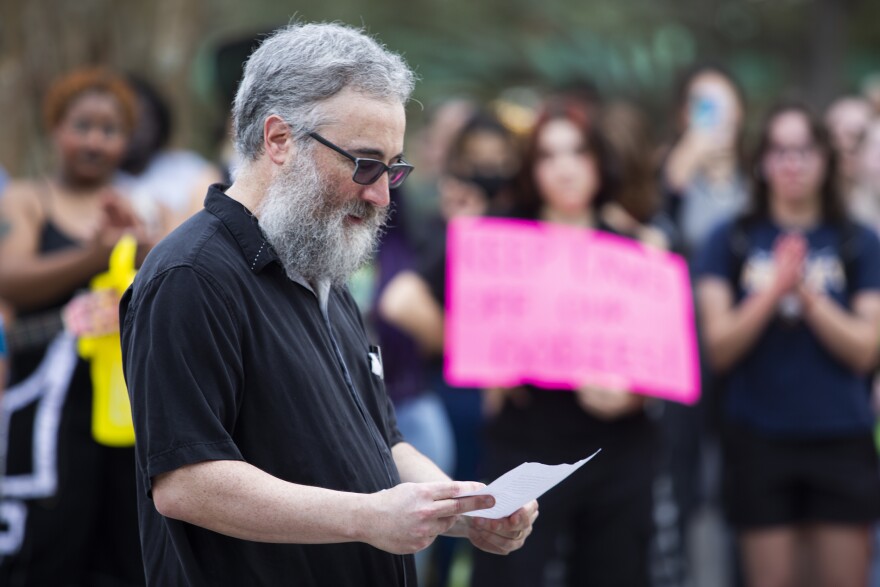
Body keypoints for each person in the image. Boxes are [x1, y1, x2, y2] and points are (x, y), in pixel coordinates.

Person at [119, 22, 538, 587]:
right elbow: (186, 482)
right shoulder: (190, 275)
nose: (382, 194)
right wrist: (367, 518)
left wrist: (466, 509)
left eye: (394, 168)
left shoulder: (321, 266)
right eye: (364, 164)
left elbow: (382, 440)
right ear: (279, 140)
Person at [468, 96, 658, 587]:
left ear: (599, 161)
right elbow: (407, 300)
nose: (565, 168)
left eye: (577, 151)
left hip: (615, 450)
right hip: (525, 442)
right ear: (532, 169)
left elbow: (667, 359)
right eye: (548, 155)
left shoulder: (636, 247)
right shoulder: (500, 241)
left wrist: (636, 392)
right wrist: (487, 353)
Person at [695, 102, 880, 587]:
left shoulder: (859, 241)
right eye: (779, 150)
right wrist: (773, 289)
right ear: (760, 161)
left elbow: (865, 348)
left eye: (804, 150)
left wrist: (806, 293)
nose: (792, 162)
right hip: (758, 439)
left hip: (841, 436)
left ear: (826, 159)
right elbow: (718, 348)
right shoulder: (728, 240)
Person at [0, 67, 149, 586]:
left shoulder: (140, 208)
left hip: (124, 406)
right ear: (55, 128)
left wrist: (141, 245)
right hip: (45, 404)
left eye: (109, 130)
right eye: (81, 125)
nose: (94, 140)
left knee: (128, 547)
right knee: (49, 544)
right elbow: (9, 279)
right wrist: (95, 255)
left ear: (127, 141)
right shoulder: (26, 200)